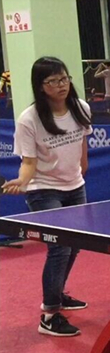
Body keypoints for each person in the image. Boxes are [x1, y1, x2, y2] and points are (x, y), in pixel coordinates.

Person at [2, 57, 93, 337]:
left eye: (64, 78)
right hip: (43, 189)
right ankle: (50, 315)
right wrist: (22, 181)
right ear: (41, 86)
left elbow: (82, 142)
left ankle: (58, 293)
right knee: (59, 248)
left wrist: (82, 168)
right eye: (53, 81)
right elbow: (29, 162)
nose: (61, 85)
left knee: (74, 245)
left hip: (74, 186)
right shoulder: (29, 119)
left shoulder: (81, 107)